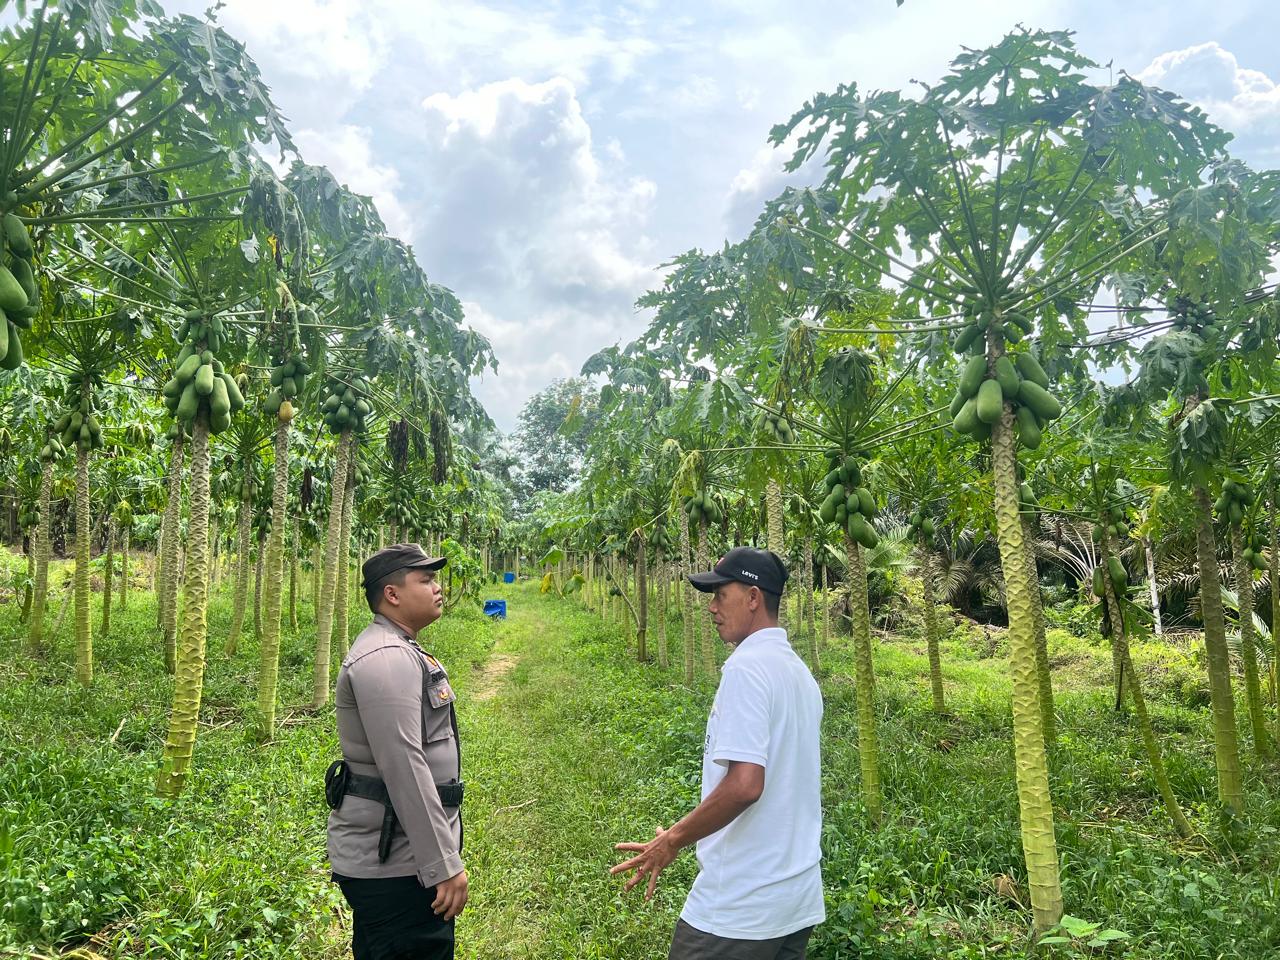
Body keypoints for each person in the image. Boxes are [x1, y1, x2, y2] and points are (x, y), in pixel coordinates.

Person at [612, 546, 825, 960]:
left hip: (741, 906)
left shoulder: (747, 669)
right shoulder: (799, 674)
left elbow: (746, 785)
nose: (711, 608)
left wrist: (672, 840)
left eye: (719, 595)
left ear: (752, 598)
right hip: (796, 901)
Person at [325, 543, 468, 960]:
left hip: (401, 855)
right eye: (425, 580)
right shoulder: (386, 657)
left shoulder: (399, 647)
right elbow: (404, 767)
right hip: (396, 866)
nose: (438, 588)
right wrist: (443, 863)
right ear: (392, 594)